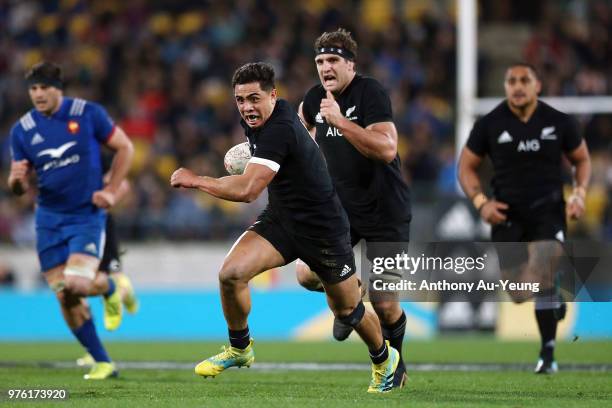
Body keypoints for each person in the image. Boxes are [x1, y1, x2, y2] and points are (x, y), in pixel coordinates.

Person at [170, 62, 400, 393]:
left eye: (254, 98)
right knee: (231, 274)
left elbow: (248, 190)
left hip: (323, 228)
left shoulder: (280, 127)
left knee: (348, 310)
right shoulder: (259, 121)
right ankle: (240, 348)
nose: (247, 107)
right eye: (240, 100)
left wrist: (197, 180)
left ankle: (383, 360)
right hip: (282, 220)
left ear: (273, 96)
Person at [295, 28, 411, 387]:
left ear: (349, 64)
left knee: (387, 304)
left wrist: (341, 122)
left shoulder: (370, 92)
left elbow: (387, 149)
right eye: (319, 61)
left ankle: (396, 367)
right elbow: (304, 147)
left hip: (385, 210)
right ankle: (352, 291)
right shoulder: (313, 100)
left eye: (332, 60)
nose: (325, 67)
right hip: (341, 211)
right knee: (305, 273)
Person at [458, 62, 591, 374]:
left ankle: (548, 354)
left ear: (538, 86)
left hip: (548, 210)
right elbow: (465, 166)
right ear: (505, 87)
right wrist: (481, 203)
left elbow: (581, 159)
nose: (517, 86)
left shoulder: (559, 122)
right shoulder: (490, 124)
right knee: (518, 293)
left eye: (524, 80)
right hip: (506, 215)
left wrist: (580, 193)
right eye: (511, 81)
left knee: (541, 269)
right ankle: (553, 295)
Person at [8, 61, 135, 379]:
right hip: (48, 219)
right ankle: (103, 361)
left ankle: (108, 289)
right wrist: (16, 180)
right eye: (33, 89)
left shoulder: (87, 114)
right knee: (64, 293)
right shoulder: (22, 130)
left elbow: (125, 147)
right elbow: (18, 188)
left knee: (76, 283)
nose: (37, 94)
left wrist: (110, 189)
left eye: (43, 88)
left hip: (85, 217)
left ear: (57, 89)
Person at [77, 152, 139, 367]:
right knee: (77, 288)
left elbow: (123, 185)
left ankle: (124, 291)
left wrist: (106, 200)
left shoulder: (94, 155)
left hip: (99, 225)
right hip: (71, 228)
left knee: (110, 275)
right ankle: (92, 348)